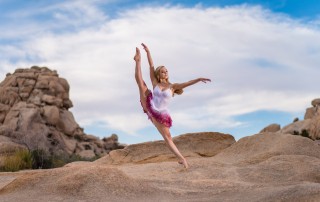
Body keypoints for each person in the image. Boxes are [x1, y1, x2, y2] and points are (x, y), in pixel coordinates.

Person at [133, 43, 211, 169]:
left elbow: (187, 83)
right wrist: (148, 52)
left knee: (167, 137)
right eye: (163, 72)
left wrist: (198, 79)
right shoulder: (155, 82)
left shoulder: (173, 87)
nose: (165, 73)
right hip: (150, 103)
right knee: (140, 83)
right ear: (159, 74)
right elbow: (151, 66)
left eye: (166, 71)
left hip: (161, 114)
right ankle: (137, 61)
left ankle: (182, 159)